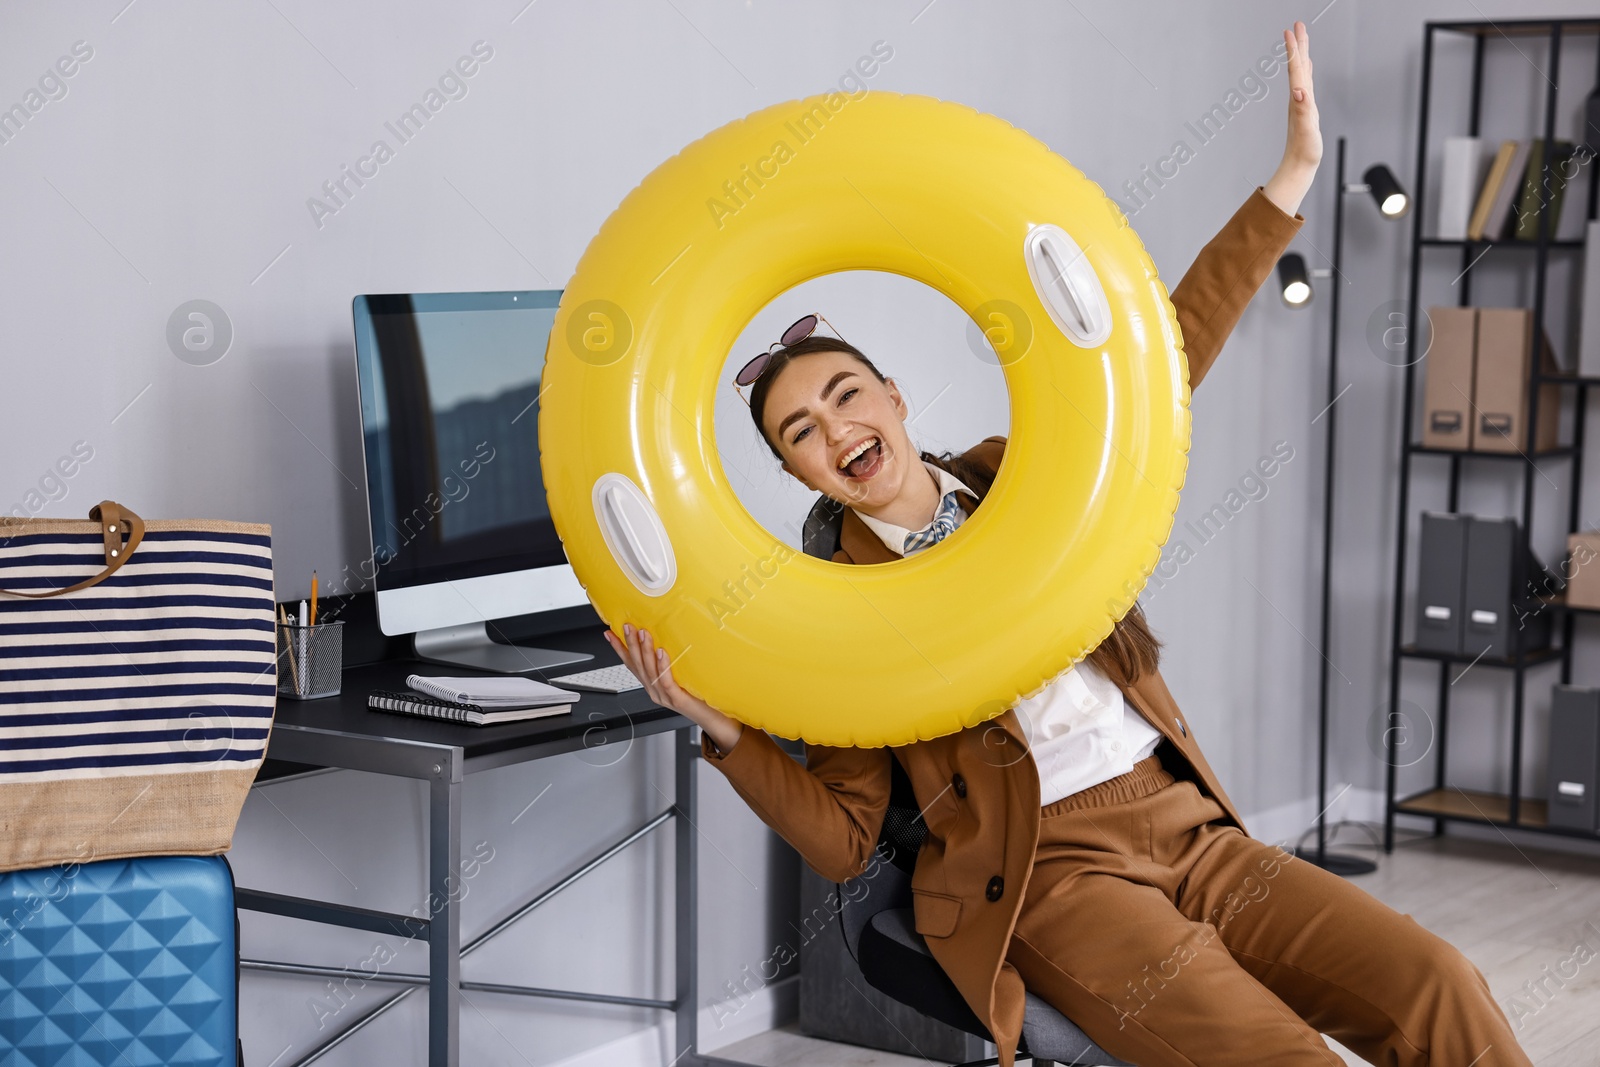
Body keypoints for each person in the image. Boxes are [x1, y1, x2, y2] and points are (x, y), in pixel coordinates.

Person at [606, 22, 1534, 1067]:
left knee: (1437, 984)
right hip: (1048, 871)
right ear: (794, 474)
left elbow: (1159, 363)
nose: (835, 431)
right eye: (800, 432)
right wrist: (723, 729)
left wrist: (1288, 182)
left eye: (844, 395)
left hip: (1185, 819)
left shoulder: (1013, 474)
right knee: (1280, 1055)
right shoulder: (826, 607)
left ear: (894, 397)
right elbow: (845, 838)